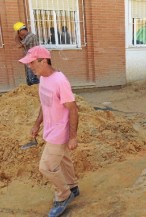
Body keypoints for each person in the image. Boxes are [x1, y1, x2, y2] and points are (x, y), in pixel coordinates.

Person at [18, 46, 79, 217]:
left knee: (46, 167)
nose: (30, 66)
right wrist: (37, 124)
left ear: (43, 61)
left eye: (32, 63)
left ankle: (63, 195)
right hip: (49, 129)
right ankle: (73, 187)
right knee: (64, 160)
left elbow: (73, 109)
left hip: (60, 132)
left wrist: (73, 136)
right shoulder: (43, 79)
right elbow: (44, 104)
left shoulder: (60, 81)